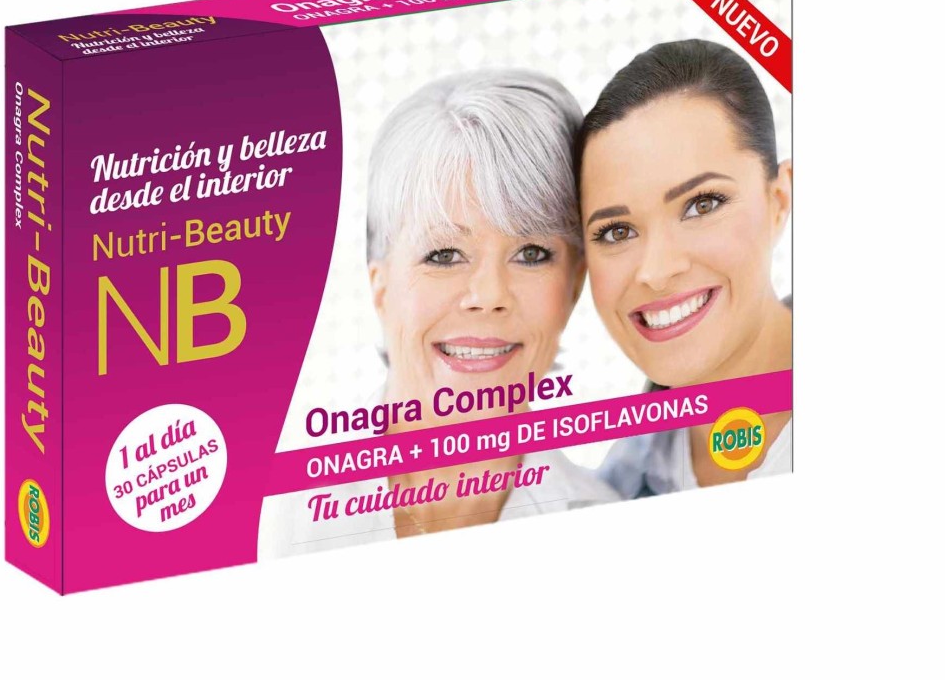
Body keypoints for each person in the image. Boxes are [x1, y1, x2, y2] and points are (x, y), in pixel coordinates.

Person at [258, 69, 617, 558]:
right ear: (380, 285)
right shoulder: (268, 511)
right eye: (444, 254)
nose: (488, 294)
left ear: (573, 285)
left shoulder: (606, 528)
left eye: (532, 253)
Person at [578, 38, 792, 497]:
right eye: (617, 231)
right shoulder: (614, 490)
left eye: (702, 204)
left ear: (779, 201)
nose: (656, 271)